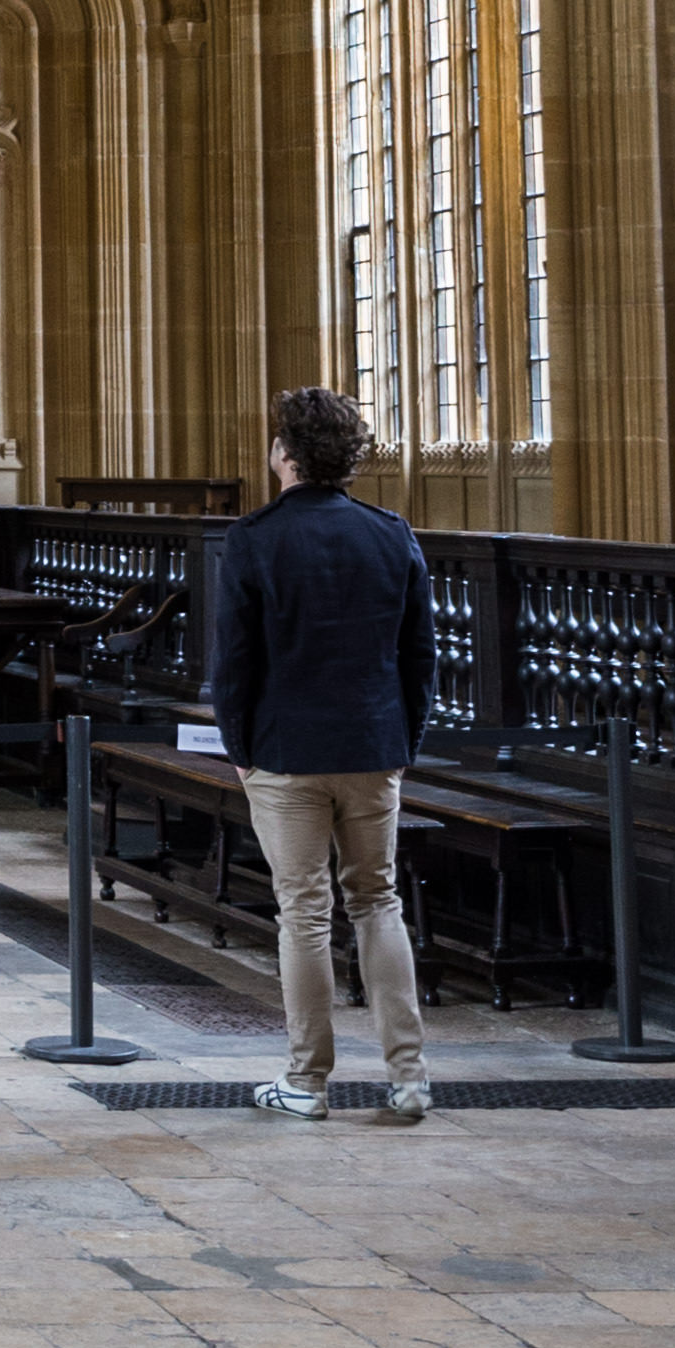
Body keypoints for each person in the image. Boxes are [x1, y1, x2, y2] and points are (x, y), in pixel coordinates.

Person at [207, 384, 435, 1127]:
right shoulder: (390, 533)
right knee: (378, 901)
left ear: (285, 455)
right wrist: (403, 743)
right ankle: (409, 1079)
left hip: (286, 750)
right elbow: (419, 656)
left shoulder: (255, 537)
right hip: (373, 746)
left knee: (304, 913)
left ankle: (307, 1082)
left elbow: (233, 664)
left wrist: (241, 751)